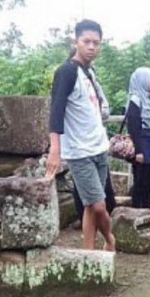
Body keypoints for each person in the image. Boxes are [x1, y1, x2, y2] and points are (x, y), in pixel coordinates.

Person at [47, 19, 115, 251]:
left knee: (88, 205)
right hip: (79, 151)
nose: (91, 47)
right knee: (98, 205)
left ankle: (89, 251)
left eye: (96, 43)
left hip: (99, 147)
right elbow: (56, 110)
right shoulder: (66, 72)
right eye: (86, 41)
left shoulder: (89, 72)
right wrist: (54, 149)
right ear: (75, 41)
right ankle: (110, 239)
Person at [125, 67, 150, 209]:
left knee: (149, 180)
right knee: (140, 180)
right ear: (142, 81)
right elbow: (133, 127)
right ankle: (136, 214)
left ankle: (147, 213)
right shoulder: (135, 100)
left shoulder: (149, 100)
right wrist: (138, 151)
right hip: (142, 143)